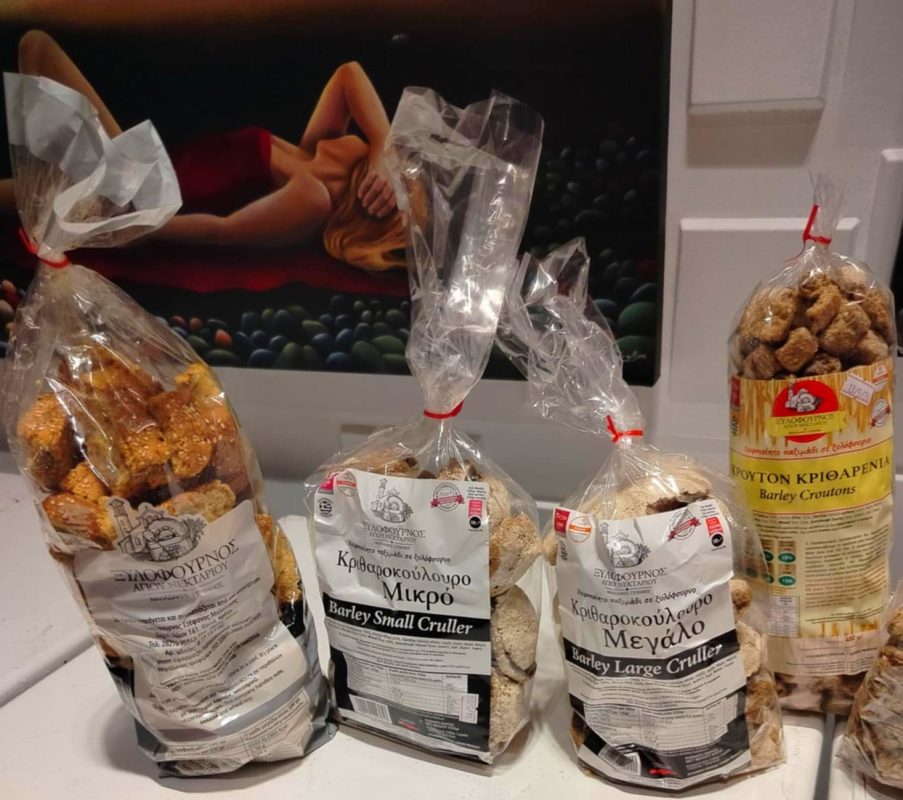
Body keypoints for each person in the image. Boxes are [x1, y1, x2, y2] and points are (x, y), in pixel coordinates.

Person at [6, 30, 406, 270]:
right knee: (31, 189)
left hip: (138, 192)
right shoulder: (323, 152)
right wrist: (384, 149)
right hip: (144, 174)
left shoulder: (313, 199)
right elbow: (348, 74)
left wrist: (135, 227)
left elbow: (224, 231)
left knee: (37, 46)